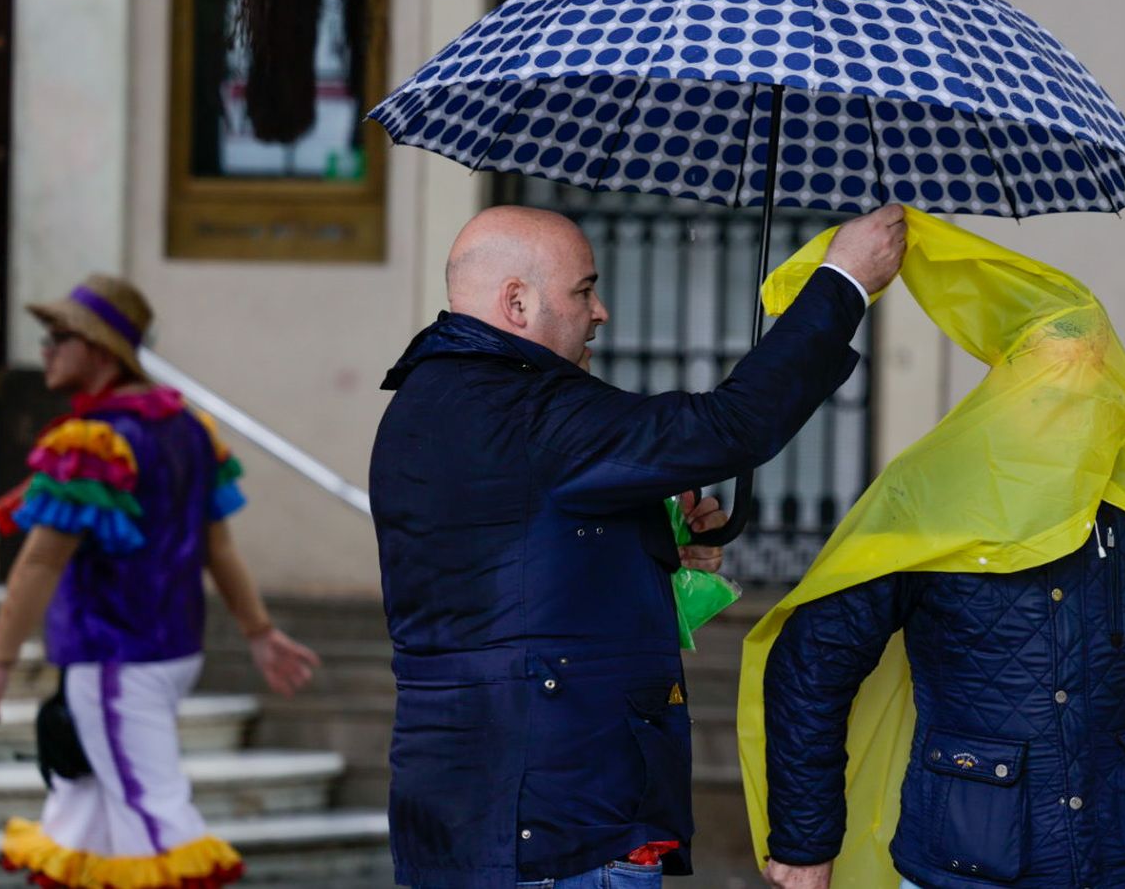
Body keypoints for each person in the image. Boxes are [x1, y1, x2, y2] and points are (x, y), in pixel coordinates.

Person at [739, 209, 1125, 889]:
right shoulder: (929, 506)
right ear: (1008, 389)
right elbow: (813, 665)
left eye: (1088, 376)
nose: (1068, 401)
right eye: (1047, 379)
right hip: (968, 862)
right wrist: (804, 846)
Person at [369, 203, 906, 888]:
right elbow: (730, 426)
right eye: (584, 290)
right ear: (517, 303)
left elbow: (504, 576)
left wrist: (645, 547)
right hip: (561, 823)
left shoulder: (427, 401)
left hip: (469, 811)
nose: (601, 312)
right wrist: (843, 282)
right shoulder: (528, 408)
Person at [0, 275, 320, 889]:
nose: (45, 350)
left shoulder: (95, 442)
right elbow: (219, 547)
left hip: (116, 657)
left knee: (156, 824)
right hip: (165, 652)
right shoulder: (187, 429)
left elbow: (40, 563)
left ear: (100, 348)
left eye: (58, 338)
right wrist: (258, 632)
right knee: (82, 819)